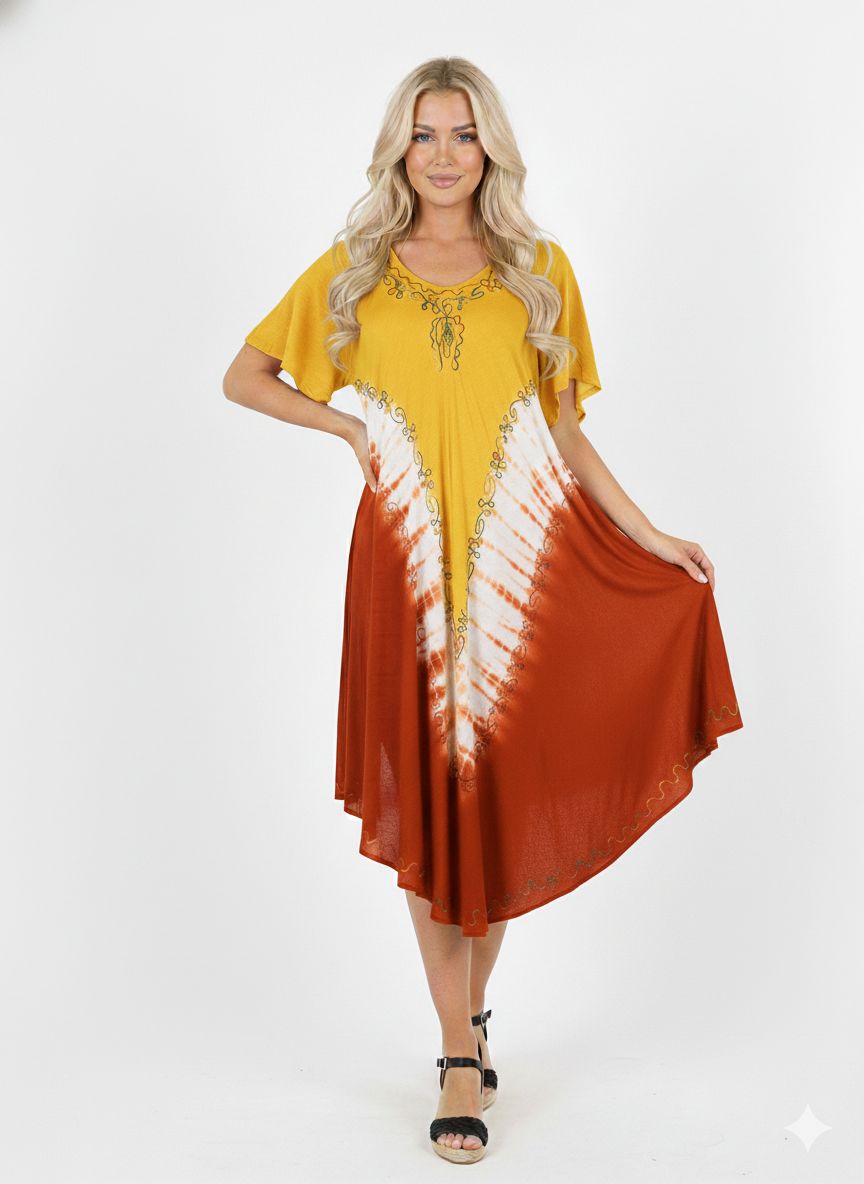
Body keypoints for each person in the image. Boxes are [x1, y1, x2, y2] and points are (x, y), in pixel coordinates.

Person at [223, 56, 744, 1165]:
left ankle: (468, 1019)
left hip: (522, 571)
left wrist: (653, 537)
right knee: (429, 803)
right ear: (399, 150)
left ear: (490, 147)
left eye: (464, 134)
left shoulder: (538, 273)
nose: (445, 155)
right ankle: (460, 1051)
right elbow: (246, 374)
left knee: (493, 804)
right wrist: (351, 429)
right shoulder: (355, 272)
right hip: (405, 566)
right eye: (425, 135)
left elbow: (564, 432)